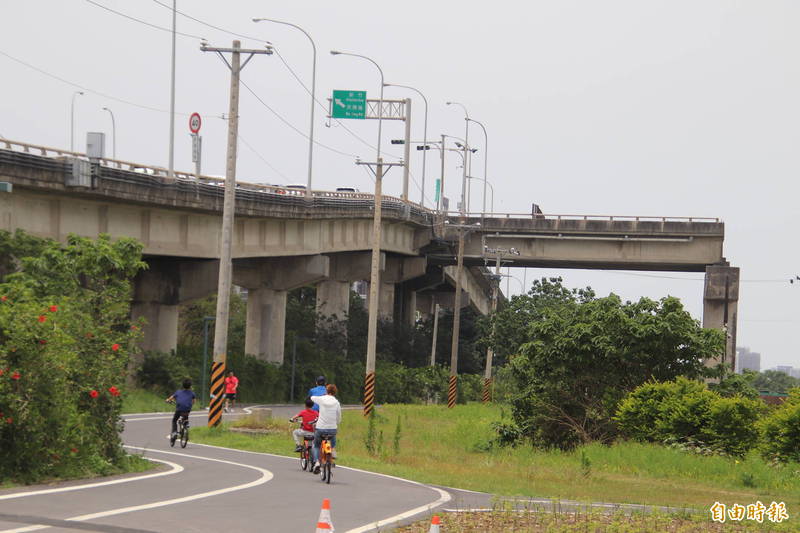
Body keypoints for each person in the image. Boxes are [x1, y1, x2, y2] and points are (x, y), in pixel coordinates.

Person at [310, 383, 341, 473]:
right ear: (335, 392)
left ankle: (316, 463)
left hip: (320, 428)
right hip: (332, 429)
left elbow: (312, 398)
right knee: (333, 435)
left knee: (316, 445)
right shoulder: (336, 402)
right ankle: (333, 449)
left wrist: (322, 396)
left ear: (326, 391)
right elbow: (338, 417)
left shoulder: (322, 399)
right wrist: (336, 423)